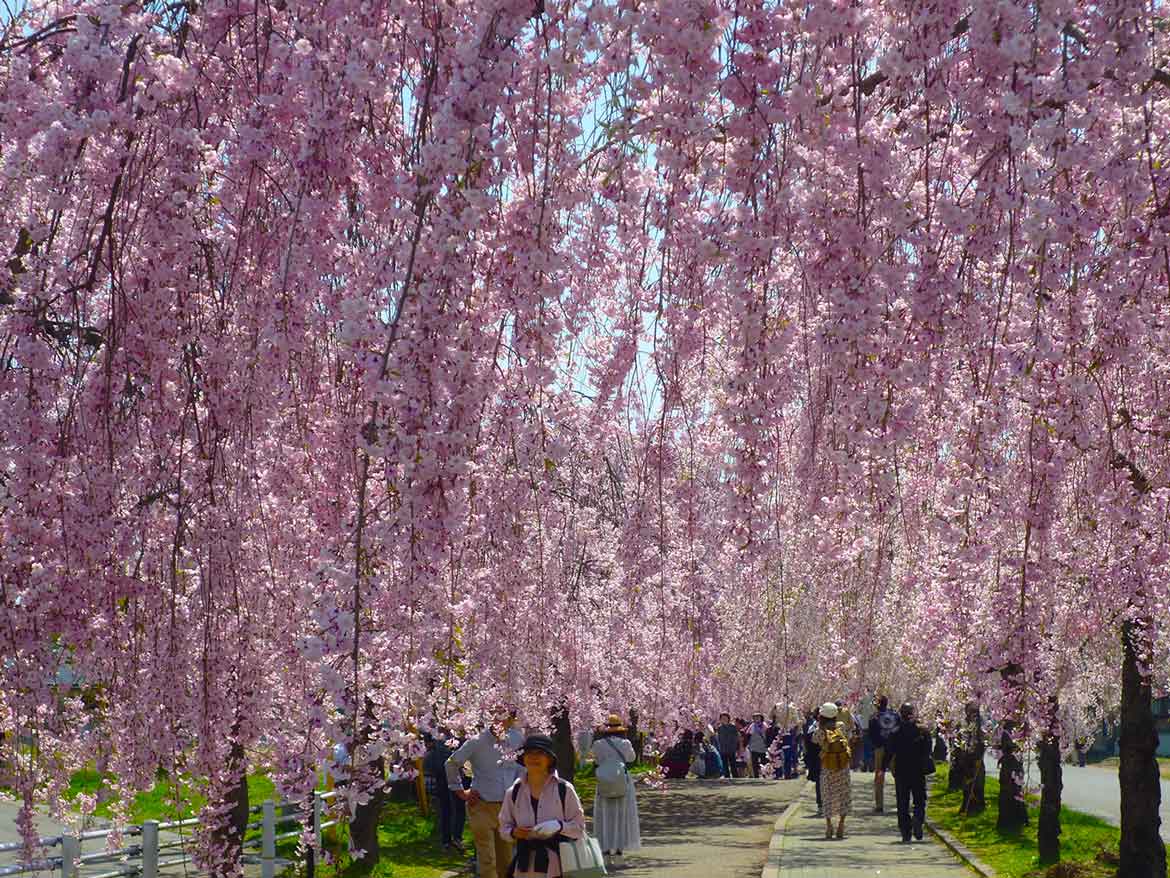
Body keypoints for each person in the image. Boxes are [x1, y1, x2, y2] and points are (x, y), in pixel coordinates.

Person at [447, 708, 526, 878]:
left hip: (506, 808)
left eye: (504, 716)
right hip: (481, 805)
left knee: (506, 860)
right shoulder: (477, 741)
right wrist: (461, 791)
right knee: (487, 859)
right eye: (495, 715)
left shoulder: (517, 738)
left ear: (511, 719)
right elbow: (451, 763)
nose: (499, 720)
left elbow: (521, 768)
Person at [498, 734, 586, 878]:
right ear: (523, 758)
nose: (534, 757)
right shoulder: (513, 792)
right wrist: (514, 832)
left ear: (550, 759)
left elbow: (579, 828)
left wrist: (559, 826)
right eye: (529, 753)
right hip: (524, 868)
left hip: (559, 867)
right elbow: (503, 828)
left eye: (540, 753)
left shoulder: (564, 789)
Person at [589, 714, 641, 857]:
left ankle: (605, 848)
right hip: (622, 779)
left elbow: (596, 760)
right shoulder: (625, 743)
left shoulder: (598, 744)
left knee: (604, 812)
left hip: (605, 779)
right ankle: (619, 849)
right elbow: (631, 759)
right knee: (621, 812)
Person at [887, 702, 932, 843]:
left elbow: (890, 750)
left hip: (901, 770)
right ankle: (918, 818)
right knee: (920, 799)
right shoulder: (922, 731)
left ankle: (905, 832)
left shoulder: (895, 731)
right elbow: (928, 750)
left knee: (902, 802)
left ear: (900, 714)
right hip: (918, 770)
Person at [812, 702, 852, 839]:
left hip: (827, 766)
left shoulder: (820, 730)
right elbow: (849, 738)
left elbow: (814, 740)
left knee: (827, 795)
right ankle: (841, 824)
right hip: (843, 766)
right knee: (844, 795)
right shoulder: (841, 727)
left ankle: (829, 825)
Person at [423, 731, 465, 850]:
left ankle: (452, 839)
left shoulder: (442, 733)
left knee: (452, 807)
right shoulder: (436, 730)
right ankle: (452, 839)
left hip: (450, 772)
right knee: (451, 807)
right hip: (445, 773)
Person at [868, 695, 899, 813]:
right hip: (893, 749)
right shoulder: (895, 715)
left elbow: (871, 734)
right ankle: (902, 800)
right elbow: (899, 729)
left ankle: (879, 805)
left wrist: (877, 744)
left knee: (879, 776)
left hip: (880, 749)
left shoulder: (874, 717)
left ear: (878, 704)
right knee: (898, 775)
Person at [803, 710, 823, 814]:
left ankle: (822, 804)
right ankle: (821, 804)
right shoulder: (813, 728)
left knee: (821, 782)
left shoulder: (812, 728)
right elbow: (808, 745)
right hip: (818, 759)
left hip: (819, 759)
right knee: (821, 781)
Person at [715, 713, 738, 780]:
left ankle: (735, 778)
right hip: (723, 749)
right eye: (722, 718)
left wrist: (735, 747)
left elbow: (735, 738)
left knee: (733, 765)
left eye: (725, 718)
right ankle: (727, 777)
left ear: (728, 719)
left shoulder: (732, 727)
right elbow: (718, 739)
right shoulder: (719, 728)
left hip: (731, 749)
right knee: (725, 765)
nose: (724, 720)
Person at [747, 713, 768, 778]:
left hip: (762, 747)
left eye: (758, 717)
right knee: (754, 762)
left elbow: (766, 734)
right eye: (755, 717)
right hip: (754, 746)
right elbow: (748, 734)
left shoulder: (764, 725)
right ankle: (756, 776)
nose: (756, 718)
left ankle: (765, 774)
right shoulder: (752, 726)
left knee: (764, 762)